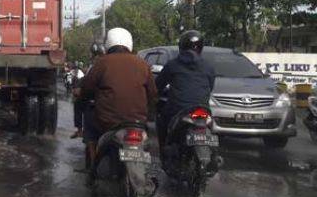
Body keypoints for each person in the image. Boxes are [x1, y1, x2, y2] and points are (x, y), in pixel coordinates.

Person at [79, 28, 158, 173]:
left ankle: (92, 168)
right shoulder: (142, 64)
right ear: (130, 43)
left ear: (108, 44)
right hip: (138, 122)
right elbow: (153, 94)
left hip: (108, 123)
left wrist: (83, 102)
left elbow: (86, 90)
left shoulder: (102, 63)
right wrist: (148, 115)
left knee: (89, 122)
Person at [155, 30, 215, 158]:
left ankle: (164, 154)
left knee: (161, 120)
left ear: (182, 46)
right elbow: (210, 87)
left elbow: (157, 86)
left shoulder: (173, 65)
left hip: (178, 110)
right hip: (202, 110)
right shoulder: (208, 66)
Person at [70, 43, 105, 139]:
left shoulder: (97, 65)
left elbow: (88, 81)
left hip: (97, 95)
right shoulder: (110, 63)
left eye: (94, 54)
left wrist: (80, 90)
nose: (93, 56)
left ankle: (80, 130)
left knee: (77, 103)